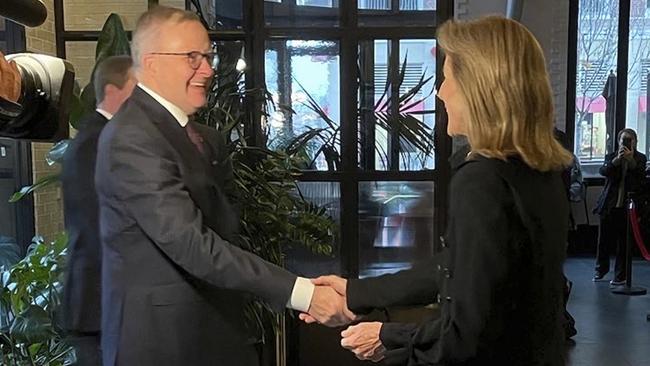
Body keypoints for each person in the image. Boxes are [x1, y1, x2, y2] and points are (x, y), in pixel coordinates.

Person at [301, 16, 573, 365]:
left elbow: (466, 337)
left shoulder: (482, 181)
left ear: (478, 88)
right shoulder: (540, 168)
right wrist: (357, 292)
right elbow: (460, 267)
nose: (440, 92)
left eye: (447, 78)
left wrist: (386, 336)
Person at [94, 7, 351, 366]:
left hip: (209, 330)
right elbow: (192, 244)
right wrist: (304, 293)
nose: (208, 69)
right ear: (151, 63)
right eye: (192, 57)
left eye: (208, 56)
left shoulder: (190, 134)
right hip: (163, 344)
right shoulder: (133, 137)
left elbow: (225, 223)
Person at [61, 55, 136, 366]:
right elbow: (98, 226)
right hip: (98, 303)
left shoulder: (103, 137)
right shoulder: (95, 142)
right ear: (113, 90)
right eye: (138, 89)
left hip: (106, 302)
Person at [593, 128, 647, 285]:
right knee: (603, 240)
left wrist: (630, 161)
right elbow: (603, 171)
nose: (627, 143)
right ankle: (600, 270)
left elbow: (640, 176)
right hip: (610, 204)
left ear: (635, 142)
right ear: (619, 141)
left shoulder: (640, 158)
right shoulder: (611, 156)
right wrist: (616, 161)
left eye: (630, 140)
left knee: (624, 243)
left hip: (628, 206)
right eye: (624, 140)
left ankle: (620, 275)